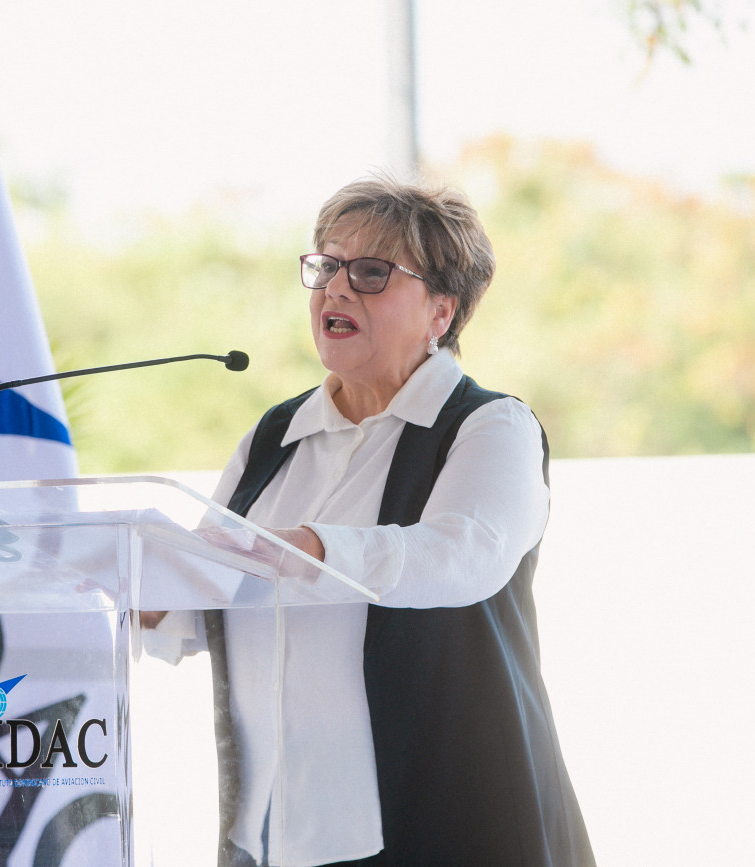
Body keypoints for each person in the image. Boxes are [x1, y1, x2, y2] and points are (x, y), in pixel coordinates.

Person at [198, 175, 594, 867]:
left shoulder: (489, 426)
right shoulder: (275, 435)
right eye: (326, 266)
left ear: (442, 311)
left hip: (442, 823)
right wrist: (149, 594)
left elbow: (462, 555)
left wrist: (310, 549)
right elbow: (211, 573)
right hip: (273, 831)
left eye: (371, 273)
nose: (337, 288)